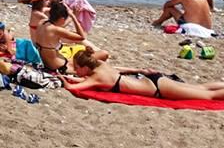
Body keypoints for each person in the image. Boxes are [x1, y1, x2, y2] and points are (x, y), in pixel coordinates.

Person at [64, 49, 224, 100]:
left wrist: (61, 79)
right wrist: (140, 70)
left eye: (77, 68)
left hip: (158, 88)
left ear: (85, 67)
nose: (76, 71)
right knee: (201, 87)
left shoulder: (96, 78)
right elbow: (119, 69)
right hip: (152, 80)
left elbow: (74, 87)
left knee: (208, 97)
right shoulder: (101, 66)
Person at [34, 1, 109, 73]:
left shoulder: (42, 22)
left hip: (46, 63)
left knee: (94, 60)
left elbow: (59, 25)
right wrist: (73, 17)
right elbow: (82, 37)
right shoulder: (56, 30)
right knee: (104, 54)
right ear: (62, 19)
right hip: (61, 66)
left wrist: (74, 14)